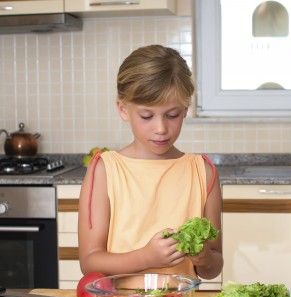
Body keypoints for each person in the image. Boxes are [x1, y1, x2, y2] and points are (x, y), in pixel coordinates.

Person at [77, 44, 223, 281]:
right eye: (147, 116)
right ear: (123, 110)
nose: (161, 129)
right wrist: (146, 257)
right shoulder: (105, 169)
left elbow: (214, 267)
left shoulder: (203, 172)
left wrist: (203, 256)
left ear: (185, 109)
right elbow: (90, 261)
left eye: (172, 115)